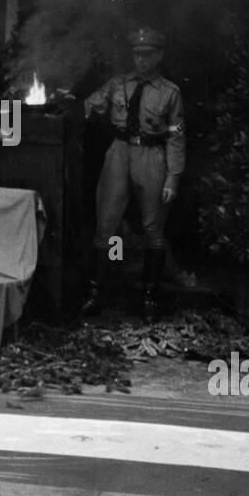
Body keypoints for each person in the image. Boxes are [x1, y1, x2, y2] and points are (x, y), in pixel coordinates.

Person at [82, 26, 185, 322]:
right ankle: (96, 294)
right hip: (119, 152)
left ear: (159, 56)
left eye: (147, 55)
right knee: (105, 221)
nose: (141, 61)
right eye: (137, 55)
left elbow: (177, 137)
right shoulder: (118, 84)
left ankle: (149, 299)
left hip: (152, 156)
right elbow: (91, 105)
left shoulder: (170, 93)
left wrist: (172, 178)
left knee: (153, 226)